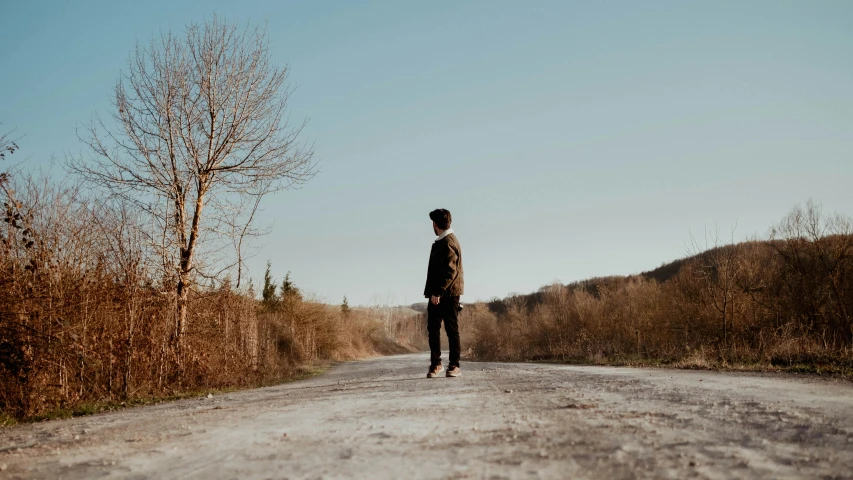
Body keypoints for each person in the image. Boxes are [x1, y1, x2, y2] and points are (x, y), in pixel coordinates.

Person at [423, 208, 464, 378]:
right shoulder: (443, 240)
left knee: (451, 329)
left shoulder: (448, 242)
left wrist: (438, 292)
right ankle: (436, 364)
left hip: (448, 294)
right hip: (438, 293)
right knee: (433, 329)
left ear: (435, 224)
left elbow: (450, 271)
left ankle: (454, 365)